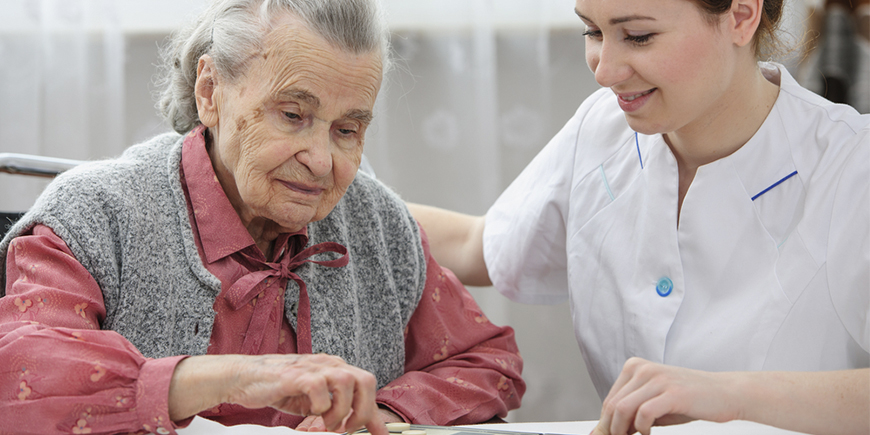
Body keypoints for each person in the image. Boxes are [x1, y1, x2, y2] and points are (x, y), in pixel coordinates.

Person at [0, 1, 524, 434]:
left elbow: (486, 361)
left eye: (347, 130)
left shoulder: (378, 224)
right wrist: (232, 379)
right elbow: (20, 369)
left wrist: (382, 414)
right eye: (293, 115)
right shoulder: (94, 215)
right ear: (211, 92)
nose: (321, 161)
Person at [408, 0, 870, 434]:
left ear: (742, 15)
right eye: (592, 31)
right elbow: (479, 245)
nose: (604, 71)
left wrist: (733, 395)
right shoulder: (602, 128)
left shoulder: (851, 167)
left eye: (638, 36)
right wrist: (341, 190)